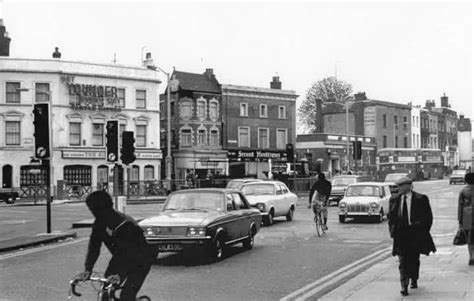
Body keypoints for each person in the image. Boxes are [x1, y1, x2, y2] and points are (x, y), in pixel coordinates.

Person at [73, 190, 155, 300]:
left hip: (140, 262)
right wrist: (88, 269)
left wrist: (119, 275)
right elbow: (94, 247)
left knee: (126, 296)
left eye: (94, 209)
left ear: (104, 208)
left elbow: (130, 253)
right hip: (119, 259)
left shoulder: (126, 225)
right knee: (105, 292)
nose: (93, 212)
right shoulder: (99, 224)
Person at [388, 177, 436, 296]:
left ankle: (414, 278)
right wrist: (392, 231)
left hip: (415, 233)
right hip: (400, 234)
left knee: (414, 259)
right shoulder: (394, 199)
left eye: (400, 186)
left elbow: (428, 218)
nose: (398, 188)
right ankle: (404, 286)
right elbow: (391, 218)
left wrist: (422, 231)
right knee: (402, 260)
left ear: (408, 186)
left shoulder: (421, 198)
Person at [458, 172, 474, 265]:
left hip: (467, 217)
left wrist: (460, 220)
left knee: (469, 238)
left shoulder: (463, 191)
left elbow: (460, 206)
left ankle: (471, 257)